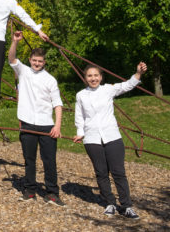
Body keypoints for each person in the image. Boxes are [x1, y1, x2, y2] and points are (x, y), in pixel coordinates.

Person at [73, 62, 147, 219]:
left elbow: (127, 85)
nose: (93, 78)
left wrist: (138, 73)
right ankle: (110, 203)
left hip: (112, 136)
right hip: (92, 139)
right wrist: (80, 132)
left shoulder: (108, 89)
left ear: (100, 77)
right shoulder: (81, 95)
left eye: (95, 75)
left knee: (119, 172)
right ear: (85, 78)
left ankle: (126, 206)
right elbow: (79, 116)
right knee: (101, 173)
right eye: (89, 76)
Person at [8, 30, 64, 205]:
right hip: (27, 123)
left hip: (46, 124)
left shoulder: (50, 80)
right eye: (34, 61)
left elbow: (57, 104)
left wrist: (57, 126)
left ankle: (52, 193)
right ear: (30, 60)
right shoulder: (24, 71)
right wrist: (15, 42)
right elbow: (11, 59)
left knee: (49, 161)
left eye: (40, 61)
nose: (37, 63)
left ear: (44, 62)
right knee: (29, 160)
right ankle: (30, 190)